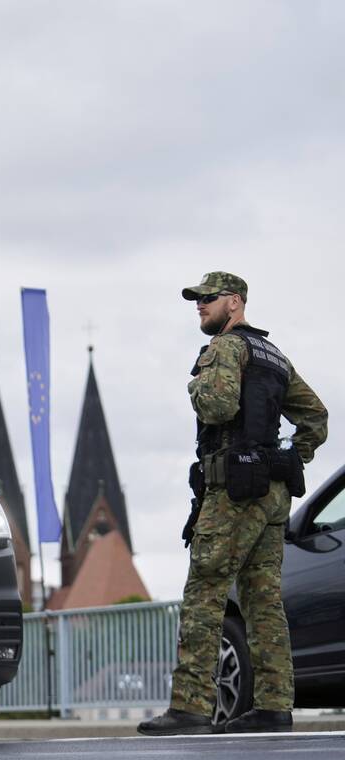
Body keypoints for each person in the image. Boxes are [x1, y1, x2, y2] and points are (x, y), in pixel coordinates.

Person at [139, 271, 327, 736]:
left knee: (205, 591)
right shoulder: (274, 355)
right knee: (264, 601)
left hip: (233, 492)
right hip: (271, 494)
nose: (200, 306)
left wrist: (195, 384)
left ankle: (189, 709)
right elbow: (316, 419)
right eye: (197, 300)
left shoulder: (224, 349)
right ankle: (273, 707)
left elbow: (218, 409)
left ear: (235, 303)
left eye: (208, 299)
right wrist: (283, 460)